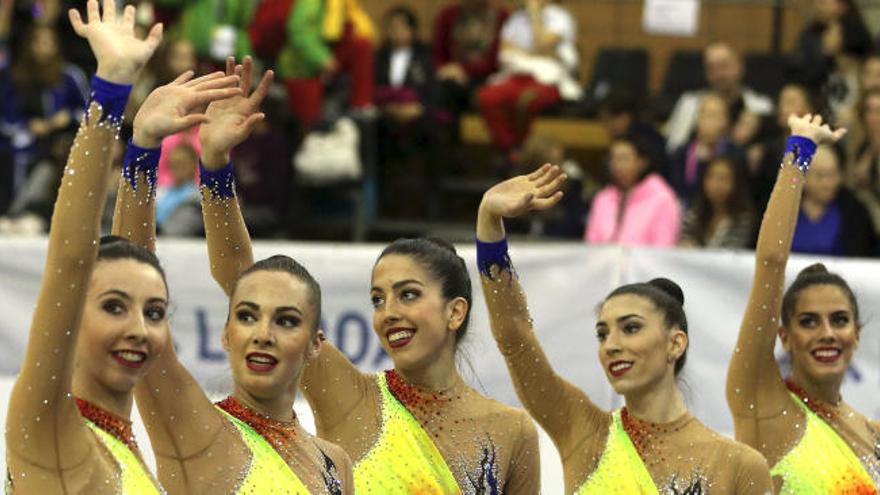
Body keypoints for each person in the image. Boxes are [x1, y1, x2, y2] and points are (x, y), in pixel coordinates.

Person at [202, 138, 541, 491]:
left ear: (455, 312)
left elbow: (516, 332)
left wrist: (490, 233)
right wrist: (215, 162)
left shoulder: (511, 430)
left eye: (408, 294)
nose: (389, 313)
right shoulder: (351, 398)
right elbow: (240, 275)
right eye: (378, 300)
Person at [112, 55, 354, 494]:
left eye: (286, 320)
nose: (263, 333)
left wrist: (217, 159)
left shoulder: (333, 462)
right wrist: (144, 147)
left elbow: (244, 273)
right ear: (225, 334)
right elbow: (127, 283)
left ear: (316, 344)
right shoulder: (196, 428)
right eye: (246, 316)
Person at [476, 164, 773, 493]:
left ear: (676, 343)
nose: (611, 345)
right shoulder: (584, 432)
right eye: (602, 334)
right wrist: (489, 223)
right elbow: (514, 336)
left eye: (631, 328)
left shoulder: (738, 464)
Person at [5, 1, 169, 492]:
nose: (139, 329)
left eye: (156, 312)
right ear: (72, 312)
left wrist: (143, 149)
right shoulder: (51, 434)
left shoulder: (128, 449)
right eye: (114, 307)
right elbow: (73, 261)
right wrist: (111, 93)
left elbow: (135, 259)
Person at [725, 114, 880, 491]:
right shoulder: (763, 405)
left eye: (839, 320)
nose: (827, 333)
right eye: (809, 322)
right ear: (785, 336)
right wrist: (801, 149)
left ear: (856, 334)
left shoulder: (872, 433)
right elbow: (771, 264)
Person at [477, 0, 580, 154]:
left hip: (546, 78)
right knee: (487, 97)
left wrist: (535, 14)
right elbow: (504, 49)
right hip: (516, 74)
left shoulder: (560, 17)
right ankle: (510, 151)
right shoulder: (516, 19)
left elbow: (542, 43)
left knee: (527, 101)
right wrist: (535, 54)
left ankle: (526, 152)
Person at [279, 0, 376, 128]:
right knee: (308, 125)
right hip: (302, 68)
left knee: (361, 45)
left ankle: (361, 105)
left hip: (329, 60)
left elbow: (362, 30)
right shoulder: (310, 3)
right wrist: (323, 60)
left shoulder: (343, 3)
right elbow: (298, 31)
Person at [665, 43, 773, 152]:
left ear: (740, 67)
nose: (718, 74)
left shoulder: (761, 106)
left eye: (724, 66)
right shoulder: (689, 104)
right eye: (711, 68)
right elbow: (673, 147)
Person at [585, 136, 681, 246]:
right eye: (613, 159)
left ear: (642, 162)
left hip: (645, 262)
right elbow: (591, 245)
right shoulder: (602, 198)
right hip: (604, 262)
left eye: (624, 158)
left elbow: (664, 247)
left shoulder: (662, 199)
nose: (617, 165)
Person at [791, 145, 876, 256]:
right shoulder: (784, 208)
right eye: (820, 176)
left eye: (833, 174)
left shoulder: (855, 212)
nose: (827, 184)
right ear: (803, 176)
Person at [432, 0, 509, 117]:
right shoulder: (448, 15)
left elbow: (497, 60)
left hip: (490, 76)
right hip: (454, 76)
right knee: (445, 87)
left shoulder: (502, 16)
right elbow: (439, 55)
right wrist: (446, 70)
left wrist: (463, 69)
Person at [668, 92, 745, 204]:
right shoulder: (681, 154)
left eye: (715, 116)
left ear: (726, 121)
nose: (710, 122)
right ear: (697, 120)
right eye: (705, 115)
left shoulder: (737, 155)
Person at [680, 154, 756, 249]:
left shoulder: (743, 220)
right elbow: (684, 245)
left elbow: (730, 253)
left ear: (736, 183)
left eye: (723, 178)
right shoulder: (694, 214)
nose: (716, 184)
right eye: (711, 177)